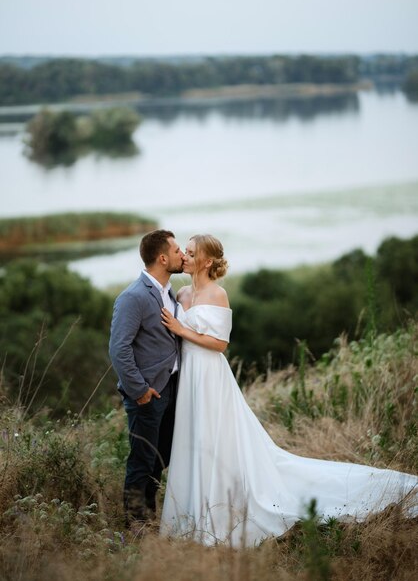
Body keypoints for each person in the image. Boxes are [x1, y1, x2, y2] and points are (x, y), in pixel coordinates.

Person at [159, 234, 418, 547]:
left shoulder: (218, 294)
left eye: (190, 252)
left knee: (216, 436)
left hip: (210, 376)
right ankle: (194, 510)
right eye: (183, 251)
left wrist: (182, 329)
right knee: (195, 438)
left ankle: (224, 505)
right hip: (188, 376)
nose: (184, 256)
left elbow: (220, 344)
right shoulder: (181, 293)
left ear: (207, 261)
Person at [109, 229, 184, 528]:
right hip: (148, 393)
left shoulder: (170, 292)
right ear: (163, 258)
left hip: (173, 389)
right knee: (142, 459)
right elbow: (119, 348)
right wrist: (139, 389)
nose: (183, 255)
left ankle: (149, 513)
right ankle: (135, 525)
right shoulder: (133, 296)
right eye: (178, 250)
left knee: (162, 455)